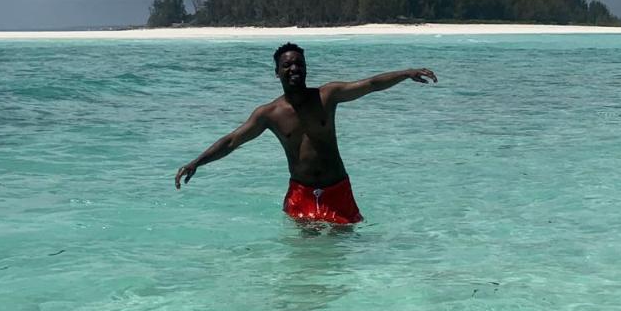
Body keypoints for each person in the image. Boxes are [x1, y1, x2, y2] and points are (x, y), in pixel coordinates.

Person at [175, 42, 437, 224]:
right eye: (287, 65)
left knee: (341, 256)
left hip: (338, 191)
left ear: (307, 68)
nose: (294, 69)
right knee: (304, 260)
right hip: (300, 195)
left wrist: (405, 73)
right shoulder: (269, 114)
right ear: (276, 72)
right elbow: (232, 141)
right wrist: (197, 162)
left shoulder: (327, 96)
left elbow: (369, 85)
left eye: (298, 64)